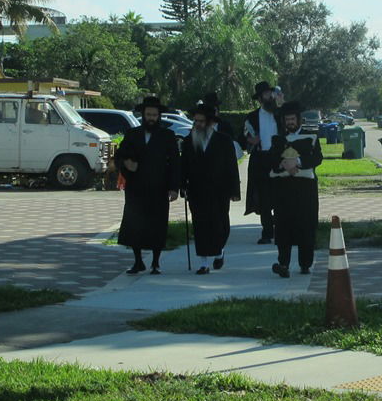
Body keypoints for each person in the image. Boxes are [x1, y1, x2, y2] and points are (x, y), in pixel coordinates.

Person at [114, 95, 180, 274]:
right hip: (136, 188)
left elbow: (175, 163)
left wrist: (174, 188)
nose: (151, 118)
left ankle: (156, 262)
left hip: (159, 188)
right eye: (148, 114)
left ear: (159, 116)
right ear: (143, 115)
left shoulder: (167, 135)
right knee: (135, 225)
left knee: (157, 226)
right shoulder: (132, 134)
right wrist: (126, 163)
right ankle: (137, 261)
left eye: (154, 115)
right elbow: (119, 156)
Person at [180, 102, 241, 275]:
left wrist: (234, 191)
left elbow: (231, 167)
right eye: (195, 121)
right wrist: (182, 185)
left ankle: (219, 251)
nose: (197, 124)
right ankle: (203, 263)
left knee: (221, 225)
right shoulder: (188, 141)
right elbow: (183, 165)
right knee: (200, 226)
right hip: (197, 190)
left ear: (210, 123)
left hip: (219, 191)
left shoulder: (224, 141)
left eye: (201, 121)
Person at [268, 101, 322, 278]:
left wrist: (297, 163)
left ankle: (305, 264)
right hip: (284, 190)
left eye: (292, 119)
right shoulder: (277, 140)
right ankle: (283, 263)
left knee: (306, 226)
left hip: (305, 190)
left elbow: (317, 158)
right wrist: (285, 165)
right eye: (287, 119)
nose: (290, 122)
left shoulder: (311, 137)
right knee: (283, 226)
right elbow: (272, 160)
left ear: (298, 119)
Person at [243, 81, 280, 244]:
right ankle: (267, 232)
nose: (269, 96)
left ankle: (280, 230)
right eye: (266, 94)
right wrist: (251, 139)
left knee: (280, 197)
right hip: (261, 160)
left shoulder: (280, 114)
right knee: (264, 198)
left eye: (271, 93)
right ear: (260, 98)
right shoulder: (252, 117)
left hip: (279, 159)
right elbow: (244, 136)